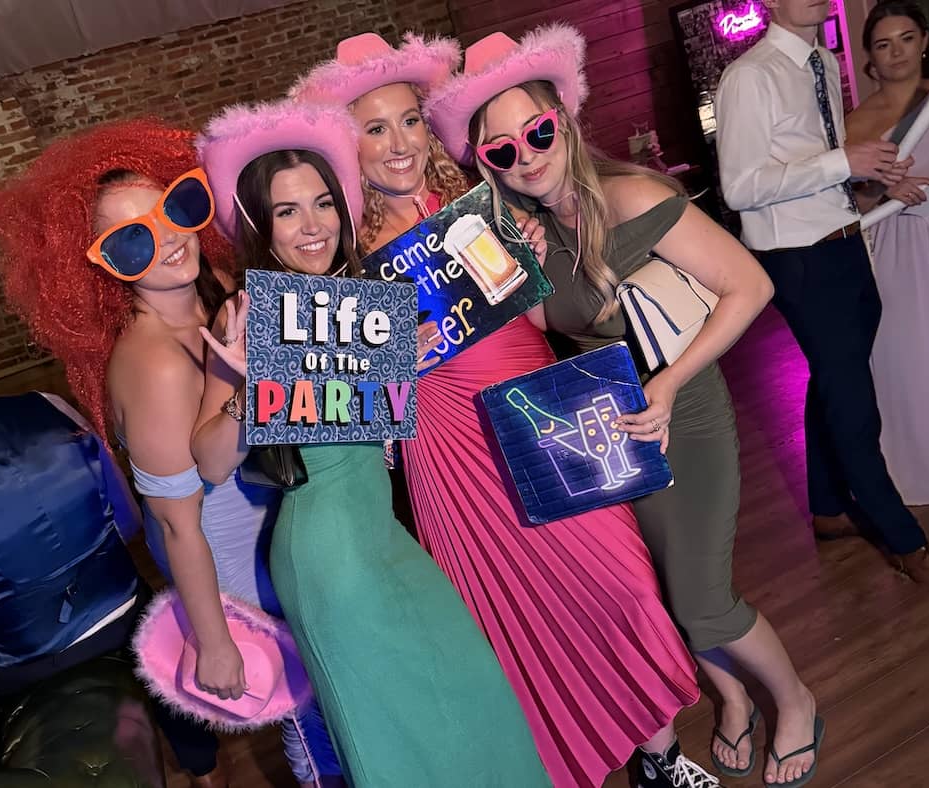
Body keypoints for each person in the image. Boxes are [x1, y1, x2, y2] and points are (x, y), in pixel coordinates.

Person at [291, 33, 714, 788]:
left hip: (538, 413)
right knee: (514, 625)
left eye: (410, 121)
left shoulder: (484, 206)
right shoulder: (344, 257)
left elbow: (547, 324)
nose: (398, 144)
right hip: (450, 455)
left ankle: (659, 757)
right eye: (375, 128)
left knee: (625, 587)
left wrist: (531, 258)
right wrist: (395, 365)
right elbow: (354, 423)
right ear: (346, 147)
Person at [427, 23, 828, 788]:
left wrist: (670, 383)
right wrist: (524, 274)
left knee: (705, 599)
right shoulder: (536, 229)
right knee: (672, 593)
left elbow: (752, 287)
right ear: (486, 164)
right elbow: (555, 330)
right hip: (607, 427)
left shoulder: (634, 196)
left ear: (565, 122)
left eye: (537, 132)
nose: (527, 155)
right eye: (502, 150)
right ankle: (734, 702)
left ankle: (796, 699)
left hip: (686, 413)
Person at [0, 120, 341, 788]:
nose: (170, 238)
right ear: (101, 265)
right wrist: (216, 641)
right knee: (311, 715)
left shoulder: (213, 286)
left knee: (337, 699)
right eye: (134, 237)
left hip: (277, 527)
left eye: (177, 208)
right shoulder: (153, 365)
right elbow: (175, 522)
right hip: (231, 558)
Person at [195, 97, 550, 788]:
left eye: (322, 203)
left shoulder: (359, 292)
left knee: (470, 693)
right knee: (396, 735)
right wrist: (248, 386)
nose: (311, 225)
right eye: (287, 210)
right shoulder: (250, 311)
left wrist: (520, 251)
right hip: (328, 553)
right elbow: (208, 458)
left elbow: (382, 408)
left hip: (382, 534)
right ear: (261, 225)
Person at [715, 0, 929, 589]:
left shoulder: (820, 59)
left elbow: (821, 167)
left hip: (843, 245)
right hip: (800, 259)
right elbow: (739, 188)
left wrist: (878, 177)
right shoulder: (748, 76)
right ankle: (904, 539)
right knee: (855, 403)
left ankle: (827, 507)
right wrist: (845, 159)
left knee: (835, 379)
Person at [0, 354, 164, 776]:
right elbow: (129, 521)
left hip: (25, 659)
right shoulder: (47, 404)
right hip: (128, 611)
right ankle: (201, 758)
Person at [845, 0, 929, 506]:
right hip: (899, 244)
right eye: (883, 44)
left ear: (924, 41)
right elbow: (849, 201)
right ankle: (919, 468)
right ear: (870, 62)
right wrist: (885, 192)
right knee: (913, 355)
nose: (897, 51)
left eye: (906, 38)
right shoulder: (858, 123)